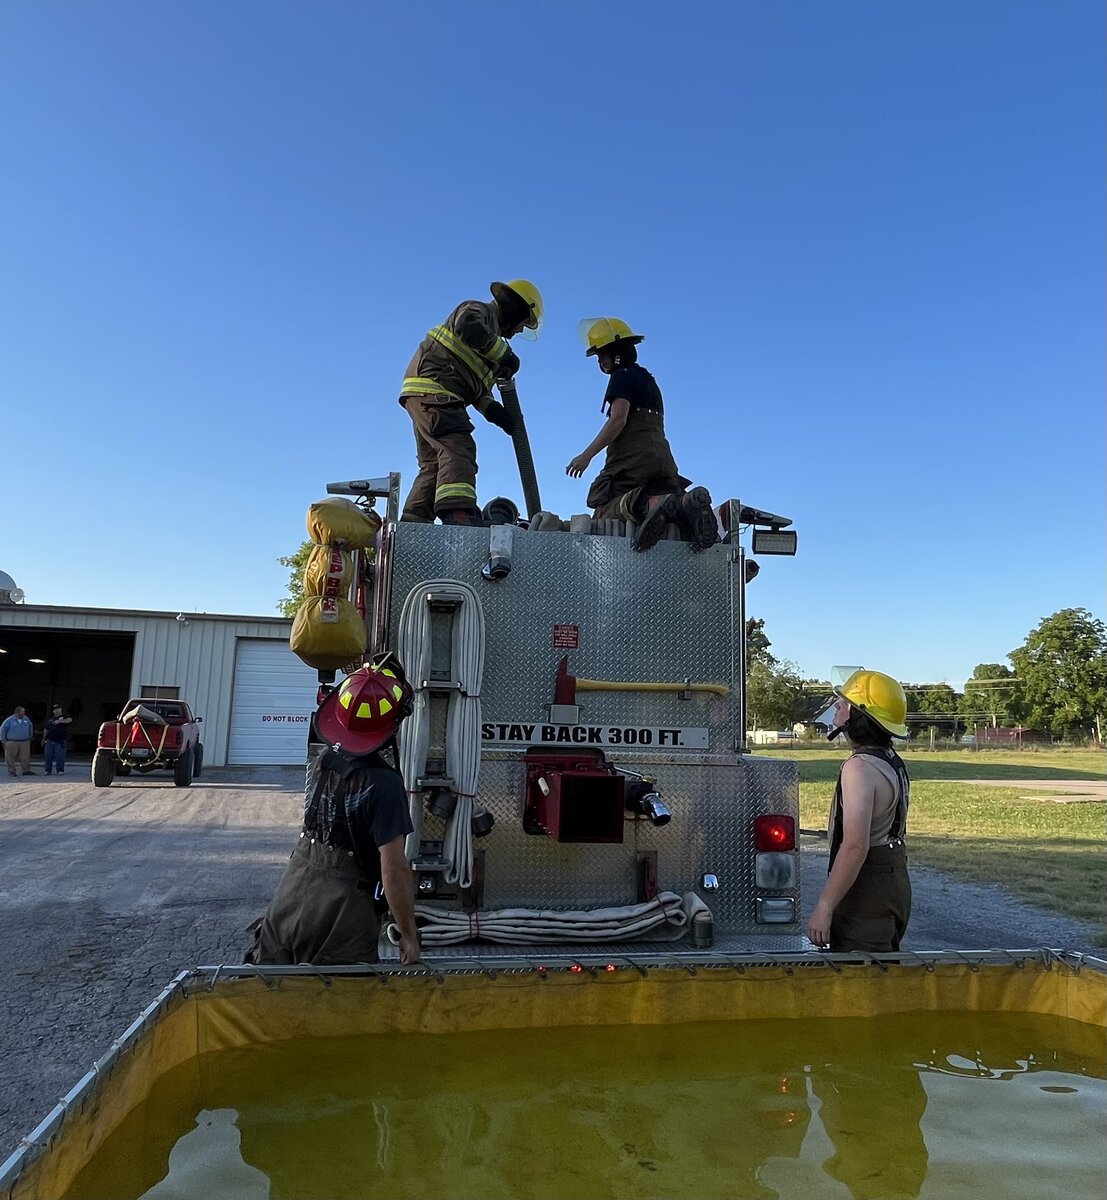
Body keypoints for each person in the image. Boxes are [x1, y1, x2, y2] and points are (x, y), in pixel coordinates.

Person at [249, 654, 422, 966]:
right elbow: (394, 871)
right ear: (393, 724)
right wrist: (408, 934)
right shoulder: (384, 786)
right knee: (338, 1007)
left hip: (287, 903)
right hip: (337, 920)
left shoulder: (324, 763)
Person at [565, 317, 718, 552]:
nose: (600, 360)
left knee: (605, 509)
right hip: (663, 458)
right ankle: (687, 505)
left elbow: (618, 419)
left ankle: (652, 503)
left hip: (634, 457)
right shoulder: (648, 379)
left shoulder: (622, 376)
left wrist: (586, 456)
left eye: (602, 354)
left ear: (617, 351)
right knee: (672, 502)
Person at [399, 279, 544, 526]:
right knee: (459, 447)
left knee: (433, 464)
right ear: (516, 308)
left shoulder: (490, 338)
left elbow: (475, 388)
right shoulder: (479, 311)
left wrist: (494, 411)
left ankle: (414, 523)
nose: (520, 331)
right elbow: (468, 326)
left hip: (428, 394)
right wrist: (505, 356)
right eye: (523, 323)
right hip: (436, 389)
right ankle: (458, 513)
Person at [807, 668, 912, 953]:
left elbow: (855, 846)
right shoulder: (891, 760)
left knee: (862, 984)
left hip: (868, 891)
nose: (836, 708)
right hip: (892, 879)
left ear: (858, 714)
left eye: (842, 704)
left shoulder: (859, 767)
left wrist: (824, 907)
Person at [1, 705, 35, 777]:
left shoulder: (26, 719)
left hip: (24, 741)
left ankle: (26, 770)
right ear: (17, 712)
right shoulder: (9, 720)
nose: (24, 713)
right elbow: (2, 729)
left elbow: (30, 726)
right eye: (22, 711)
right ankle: (12, 772)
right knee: (10, 758)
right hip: (12, 741)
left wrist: (30, 737)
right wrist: (4, 741)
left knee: (25, 757)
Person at [43, 705, 73, 776]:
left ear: (61, 709)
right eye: (55, 709)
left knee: (60, 756)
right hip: (49, 740)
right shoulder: (50, 719)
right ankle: (47, 770)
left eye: (58, 709)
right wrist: (43, 739)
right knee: (48, 756)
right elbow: (46, 729)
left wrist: (60, 721)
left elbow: (70, 720)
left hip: (60, 741)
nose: (57, 710)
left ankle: (60, 770)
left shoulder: (65, 717)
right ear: (53, 711)